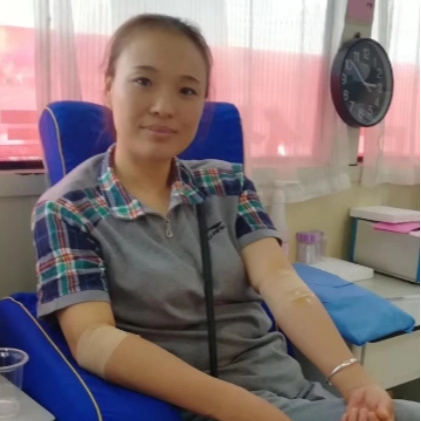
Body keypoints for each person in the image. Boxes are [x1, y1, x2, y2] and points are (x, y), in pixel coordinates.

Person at [32, 14, 420, 421]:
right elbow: (92, 337)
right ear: (110, 86)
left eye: (187, 90)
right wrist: (244, 409)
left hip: (292, 391)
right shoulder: (68, 208)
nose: (164, 107)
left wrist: (354, 380)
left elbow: (279, 281)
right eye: (143, 81)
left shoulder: (226, 184)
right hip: (197, 406)